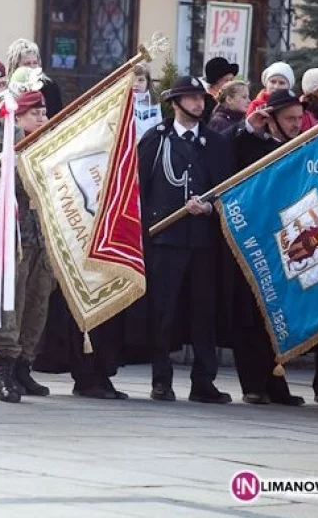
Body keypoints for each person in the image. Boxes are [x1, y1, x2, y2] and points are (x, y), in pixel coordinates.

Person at [138, 76, 234, 404]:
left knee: (203, 312)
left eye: (201, 98)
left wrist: (210, 208)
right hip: (166, 240)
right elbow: (141, 190)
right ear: (175, 103)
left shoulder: (215, 142)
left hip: (204, 242)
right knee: (162, 313)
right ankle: (161, 380)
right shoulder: (156, 139)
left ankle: (203, 381)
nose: (198, 104)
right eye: (191, 98)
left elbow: (228, 191)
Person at [228, 89, 306, 407]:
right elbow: (227, 148)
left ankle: (277, 382)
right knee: (251, 317)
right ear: (271, 118)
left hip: (287, 242)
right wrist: (250, 127)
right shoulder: (251, 143)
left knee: (280, 313)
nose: (297, 125)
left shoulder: (301, 145)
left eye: (300, 119)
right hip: (253, 242)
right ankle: (253, 384)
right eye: (290, 119)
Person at [0, 90, 54, 403]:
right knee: (11, 304)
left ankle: (24, 365)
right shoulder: (10, 147)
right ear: (18, 118)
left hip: (43, 235)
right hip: (15, 236)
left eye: (43, 114)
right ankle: (5, 369)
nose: (41, 119)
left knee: (38, 302)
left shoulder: (50, 143)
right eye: (34, 114)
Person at [6, 38, 63, 116]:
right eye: (27, 64)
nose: (32, 67)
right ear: (15, 66)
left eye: (35, 63)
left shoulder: (49, 87)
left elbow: (57, 116)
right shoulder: (7, 89)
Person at [200, 57, 239, 123]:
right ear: (215, 82)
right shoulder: (204, 102)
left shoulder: (232, 100)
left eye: (232, 80)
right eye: (226, 80)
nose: (231, 84)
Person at [132, 63, 163, 138]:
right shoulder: (125, 104)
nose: (136, 84)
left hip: (149, 145)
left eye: (141, 80)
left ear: (147, 82)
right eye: (133, 80)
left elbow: (159, 129)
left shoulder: (155, 104)